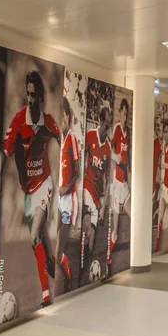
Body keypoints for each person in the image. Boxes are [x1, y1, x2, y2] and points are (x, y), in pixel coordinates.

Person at [2, 70, 61, 308]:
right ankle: (58, 264)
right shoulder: (18, 121)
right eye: (27, 94)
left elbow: (63, 137)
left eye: (34, 95)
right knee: (42, 243)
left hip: (45, 184)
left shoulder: (48, 123)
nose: (30, 99)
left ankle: (45, 294)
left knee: (35, 235)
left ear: (41, 97)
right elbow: (5, 152)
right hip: (27, 192)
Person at [82, 105, 111, 265]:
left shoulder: (108, 147)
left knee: (91, 246)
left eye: (109, 125)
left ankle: (85, 264)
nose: (108, 129)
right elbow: (82, 163)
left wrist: (104, 205)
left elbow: (107, 180)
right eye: (106, 124)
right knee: (89, 215)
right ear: (100, 122)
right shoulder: (90, 136)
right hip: (86, 187)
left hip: (97, 195)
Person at [56, 97, 80, 286]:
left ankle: (69, 279)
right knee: (48, 242)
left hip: (68, 201)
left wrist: (65, 187)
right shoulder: (59, 140)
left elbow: (77, 172)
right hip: (57, 199)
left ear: (68, 116)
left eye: (62, 116)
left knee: (57, 253)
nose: (60, 120)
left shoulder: (71, 139)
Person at [108, 98, 131, 265]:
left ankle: (136, 244)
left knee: (132, 212)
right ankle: (109, 255)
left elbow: (128, 158)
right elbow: (109, 149)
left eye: (126, 113)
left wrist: (129, 179)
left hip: (124, 181)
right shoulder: (116, 129)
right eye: (121, 113)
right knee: (115, 224)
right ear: (119, 113)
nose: (123, 116)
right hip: (116, 180)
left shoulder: (127, 132)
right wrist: (115, 157)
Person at [157, 120, 168, 250]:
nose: (165, 134)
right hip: (162, 186)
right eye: (164, 131)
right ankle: (157, 243)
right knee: (161, 213)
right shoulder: (160, 147)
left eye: (167, 132)